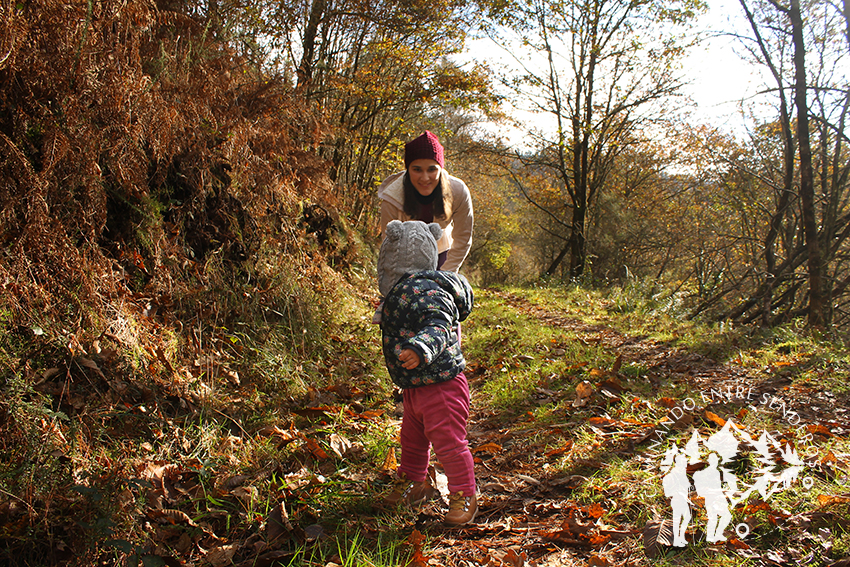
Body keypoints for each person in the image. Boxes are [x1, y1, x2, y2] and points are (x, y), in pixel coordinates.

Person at [376, 219, 477, 526]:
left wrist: (420, 348)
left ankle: (464, 493)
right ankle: (414, 483)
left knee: (448, 440)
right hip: (417, 384)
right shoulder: (405, 290)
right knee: (413, 438)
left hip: (442, 385)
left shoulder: (424, 290)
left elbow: (439, 323)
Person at [378, 131, 473, 272]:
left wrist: (446, 276)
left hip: (442, 251)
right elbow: (390, 244)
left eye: (431, 169)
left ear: (441, 169)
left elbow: (462, 238)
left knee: (441, 292)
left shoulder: (458, 191)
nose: (425, 178)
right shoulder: (392, 197)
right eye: (417, 169)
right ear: (408, 169)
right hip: (406, 256)